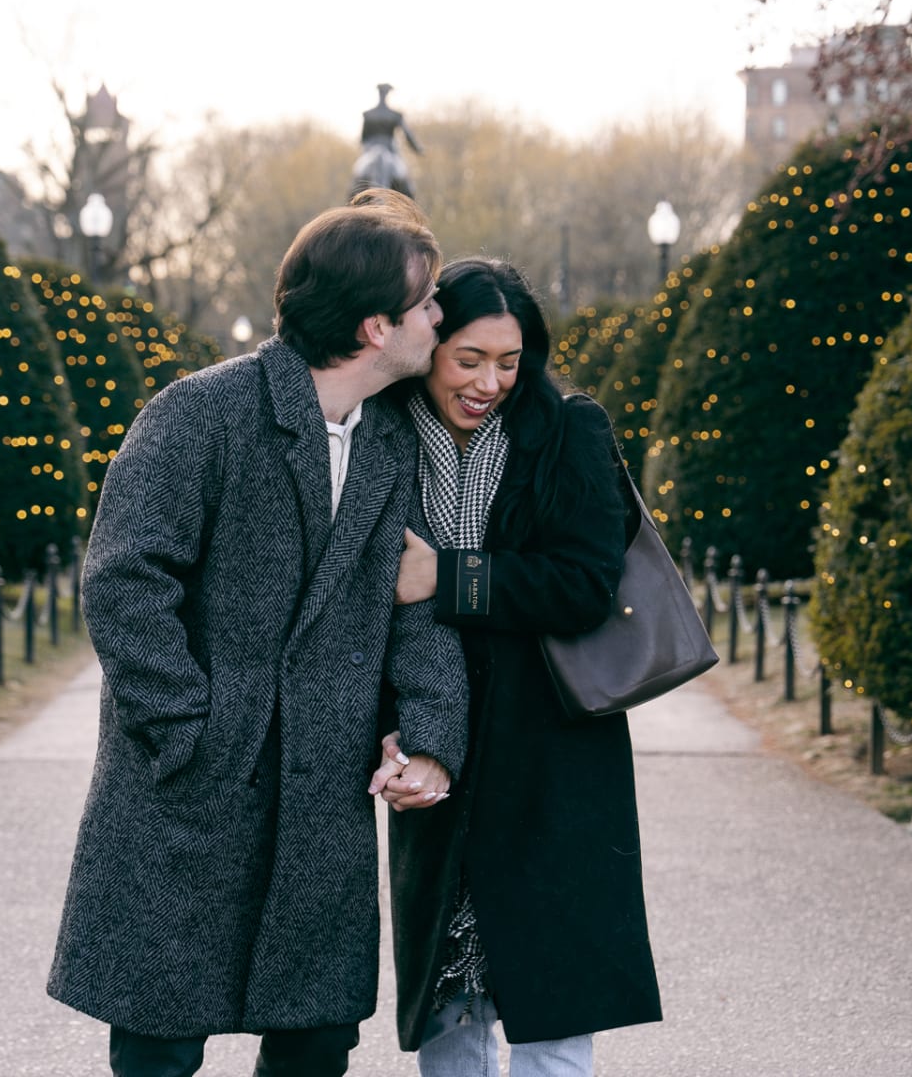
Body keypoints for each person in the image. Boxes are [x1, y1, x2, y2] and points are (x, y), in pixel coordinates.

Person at [47, 189, 469, 1077]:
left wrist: (430, 739)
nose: (441, 315)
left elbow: (416, 604)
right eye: (427, 301)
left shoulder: (394, 442)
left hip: (323, 799)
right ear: (376, 328)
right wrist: (186, 731)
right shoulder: (202, 413)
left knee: (314, 1047)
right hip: (190, 789)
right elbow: (123, 580)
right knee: (160, 1047)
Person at [376, 258, 662, 1075]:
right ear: (429, 346)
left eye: (509, 362)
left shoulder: (569, 430)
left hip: (553, 753)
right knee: (449, 1008)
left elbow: (585, 586)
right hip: (441, 742)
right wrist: (390, 730)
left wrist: (449, 576)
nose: (489, 383)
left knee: (555, 1009)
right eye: (469, 360)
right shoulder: (384, 437)